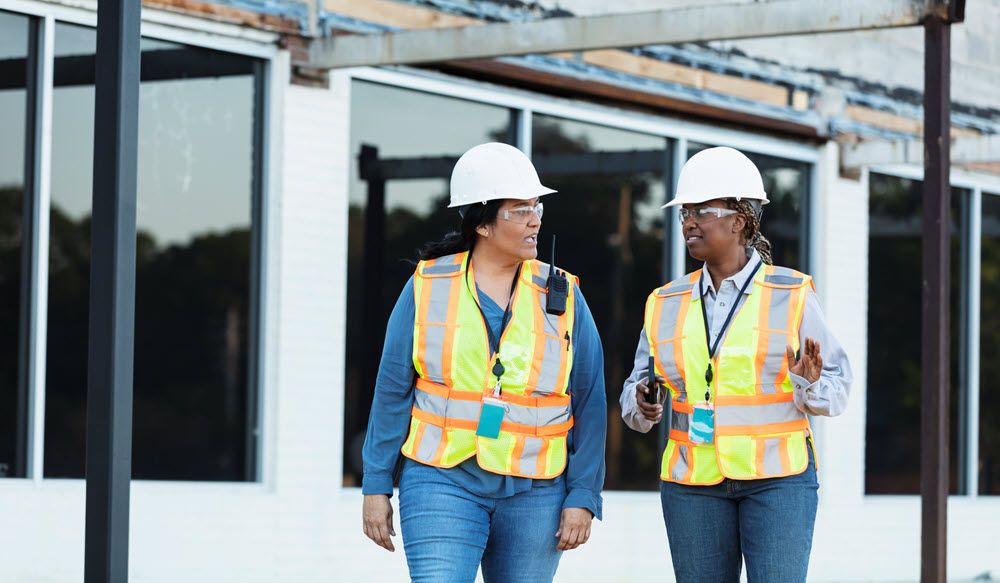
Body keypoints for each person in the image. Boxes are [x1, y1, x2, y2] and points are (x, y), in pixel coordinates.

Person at [361, 142, 607, 582]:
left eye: (536, 207)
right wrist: (376, 483)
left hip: (538, 489)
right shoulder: (427, 285)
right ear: (484, 225)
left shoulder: (563, 294)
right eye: (519, 210)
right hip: (442, 479)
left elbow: (589, 399)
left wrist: (584, 494)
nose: (534, 219)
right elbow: (391, 388)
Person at [620, 146, 852, 583]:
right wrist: (642, 403)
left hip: (777, 480)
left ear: (739, 220)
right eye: (684, 212)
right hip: (692, 483)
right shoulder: (664, 302)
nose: (688, 221)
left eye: (701, 211)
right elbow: (636, 391)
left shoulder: (792, 292)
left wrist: (808, 384)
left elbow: (836, 390)